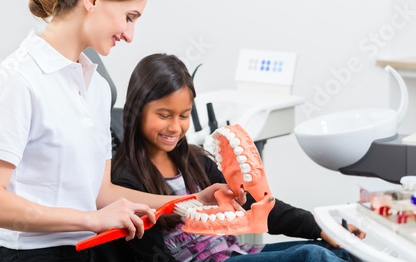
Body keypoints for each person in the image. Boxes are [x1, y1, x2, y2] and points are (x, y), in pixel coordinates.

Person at [0, 0, 228, 262]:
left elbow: (101, 193)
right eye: (129, 17)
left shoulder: (97, 88)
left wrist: (190, 201)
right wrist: (90, 220)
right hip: (27, 253)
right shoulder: (19, 81)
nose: (130, 35)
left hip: (85, 250)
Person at [111, 53, 366, 262]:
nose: (175, 127)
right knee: (313, 257)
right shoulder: (126, 180)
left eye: (184, 115)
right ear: (137, 111)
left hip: (234, 253)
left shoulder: (196, 161)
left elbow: (259, 206)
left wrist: (323, 227)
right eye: (164, 115)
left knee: (341, 251)